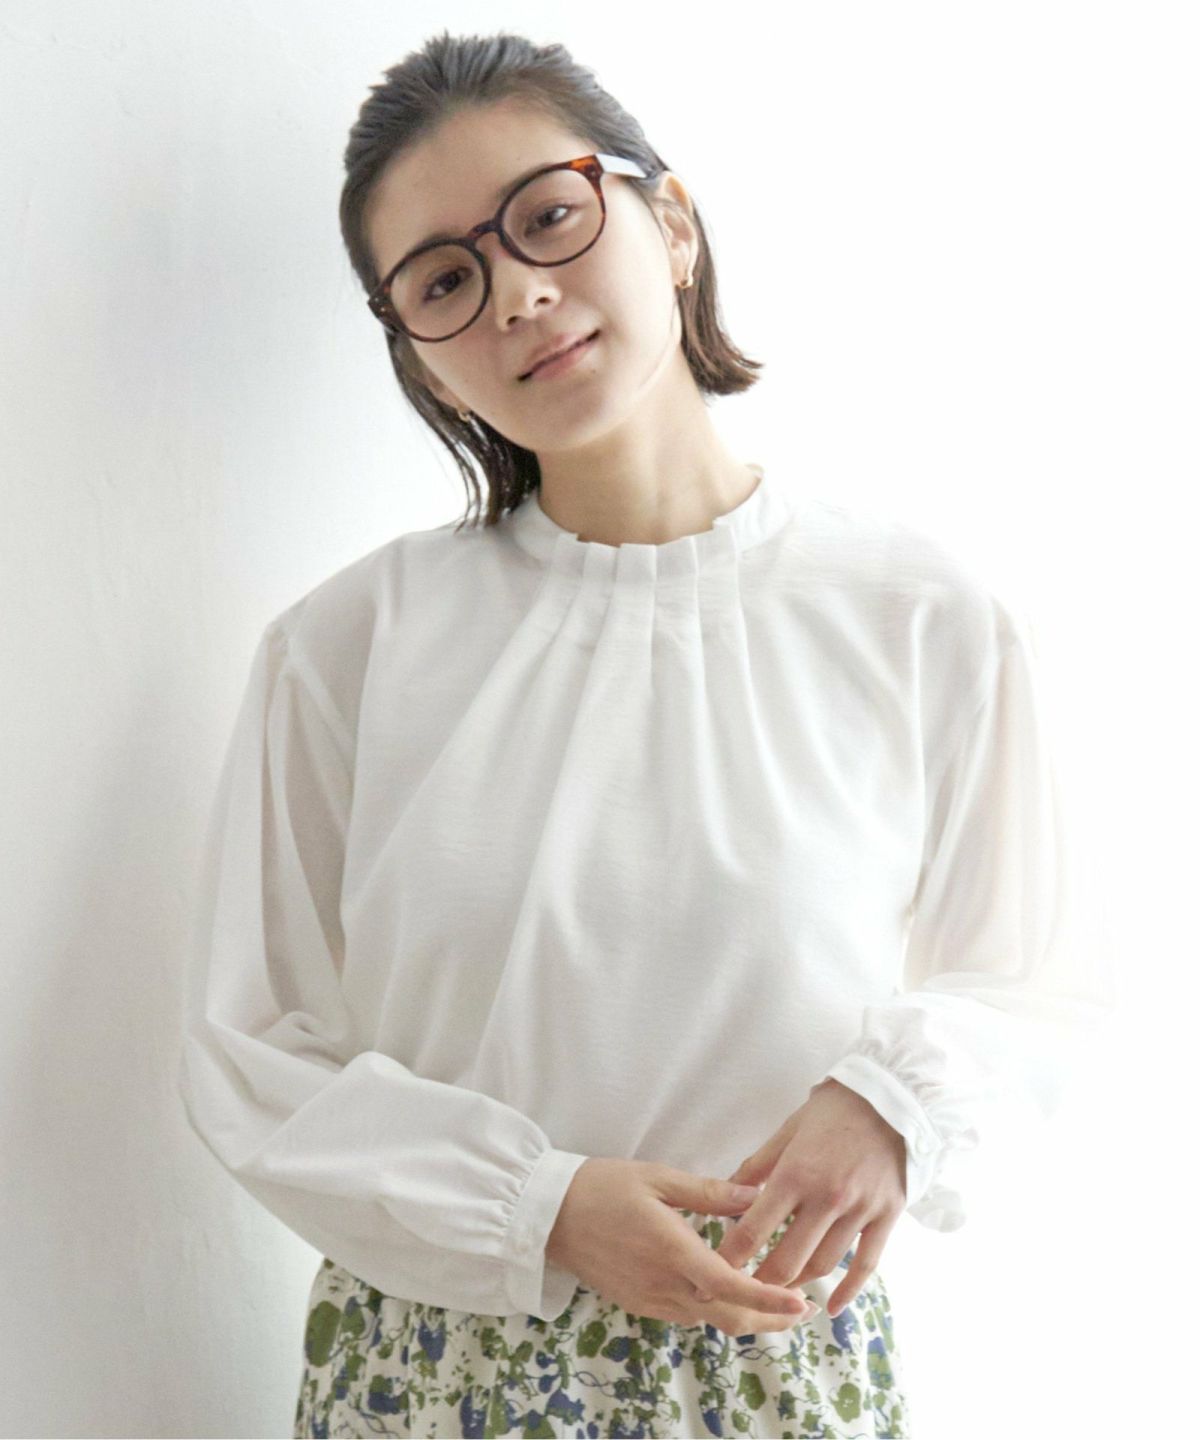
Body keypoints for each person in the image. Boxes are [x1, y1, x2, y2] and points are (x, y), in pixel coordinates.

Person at [176, 29, 1114, 1440]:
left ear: (670, 223)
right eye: (445, 281)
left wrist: (892, 1107)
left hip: (776, 1360)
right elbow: (250, 1050)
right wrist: (540, 1208)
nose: (517, 293)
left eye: (549, 215)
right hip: (433, 1375)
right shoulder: (349, 649)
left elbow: (1036, 979)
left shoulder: (917, 616)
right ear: (423, 359)